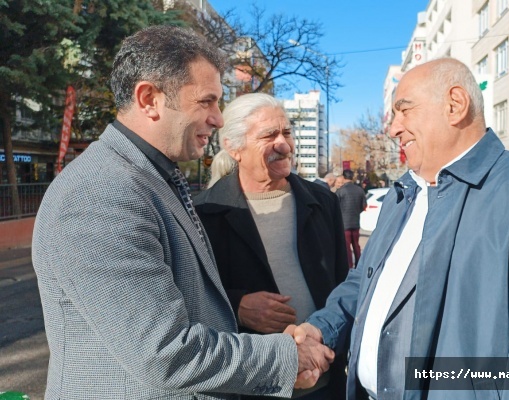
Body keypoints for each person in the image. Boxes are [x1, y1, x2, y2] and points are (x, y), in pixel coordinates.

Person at [31, 26, 333, 400]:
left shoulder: (148, 177)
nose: (219, 119)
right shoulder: (101, 192)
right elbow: (166, 353)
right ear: (149, 99)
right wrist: (287, 356)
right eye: (206, 101)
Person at [286, 58, 509, 399]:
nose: (393, 129)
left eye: (404, 110)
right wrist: (320, 329)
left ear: (455, 105)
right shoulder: (403, 194)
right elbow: (364, 283)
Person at [194, 93, 349, 399]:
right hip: (252, 386)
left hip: (324, 380)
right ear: (234, 147)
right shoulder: (205, 213)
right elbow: (192, 296)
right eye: (269, 135)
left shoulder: (322, 202)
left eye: (287, 133)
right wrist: (238, 306)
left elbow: (343, 286)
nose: (285, 144)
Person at [336, 169, 367, 268]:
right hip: (355, 221)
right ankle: (359, 264)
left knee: (347, 247)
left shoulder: (340, 191)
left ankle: (349, 266)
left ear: (343, 177)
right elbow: (364, 206)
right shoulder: (359, 190)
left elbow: (335, 207)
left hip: (344, 223)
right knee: (356, 245)